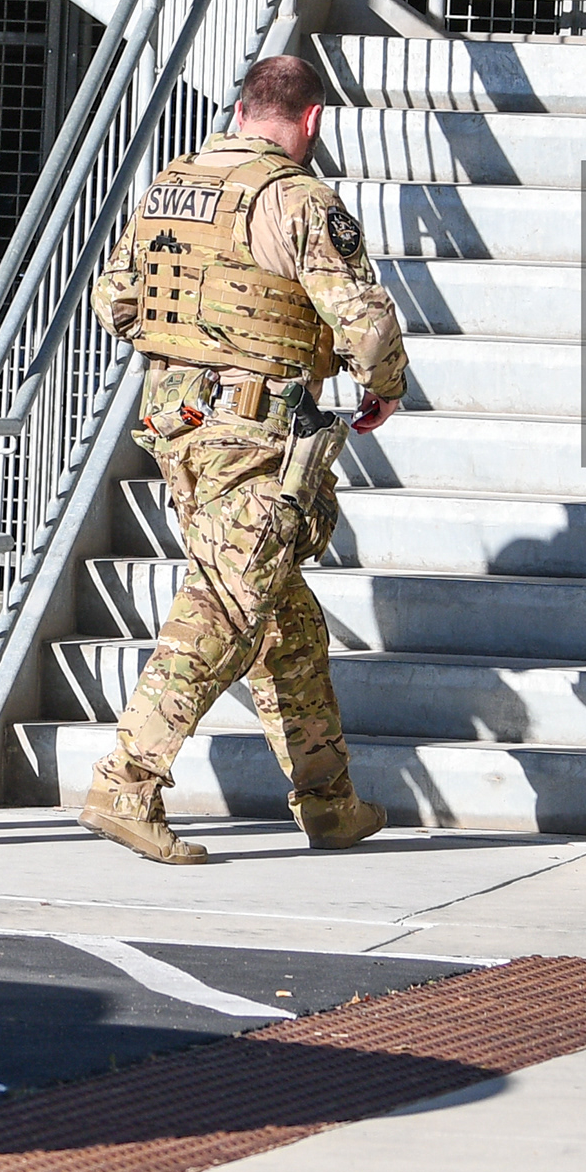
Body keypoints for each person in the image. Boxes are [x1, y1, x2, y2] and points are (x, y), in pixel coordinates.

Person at [78, 51, 408, 865]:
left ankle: (329, 802)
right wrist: (385, 385)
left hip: (179, 427)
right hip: (253, 438)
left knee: (285, 623)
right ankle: (126, 782)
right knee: (225, 610)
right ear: (312, 119)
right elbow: (364, 322)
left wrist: (188, 356)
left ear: (238, 111)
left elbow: (113, 298)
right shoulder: (299, 200)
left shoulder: (171, 186)